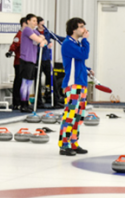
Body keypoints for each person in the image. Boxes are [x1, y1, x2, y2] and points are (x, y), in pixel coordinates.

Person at [58, 17, 92, 157]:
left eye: (84, 26)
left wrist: (87, 69)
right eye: (81, 26)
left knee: (78, 116)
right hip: (73, 85)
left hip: (81, 83)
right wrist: (85, 40)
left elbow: (79, 61)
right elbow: (84, 54)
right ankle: (64, 145)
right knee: (70, 115)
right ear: (74, 29)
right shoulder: (68, 43)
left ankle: (74, 142)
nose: (84, 29)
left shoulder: (76, 43)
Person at [18, 14, 47, 113]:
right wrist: (41, 39)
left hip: (32, 59)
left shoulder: (34, 31)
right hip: (26, 59)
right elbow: (39, 40)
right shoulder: (27, 30)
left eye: (36, 21)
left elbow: (45, 40)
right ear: (28, 21)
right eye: (33, 21)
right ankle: (23, 104)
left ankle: (27, 103)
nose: (35, 23)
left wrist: (42, 39)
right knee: (25, 82)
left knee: (29, 82)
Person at [37, 17, 64, 108]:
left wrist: (69, 39)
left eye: (44, 24)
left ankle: (56, 100)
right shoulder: (35, 34)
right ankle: (39, 102)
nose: (44, 26)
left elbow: (58, 38)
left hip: (47, 59)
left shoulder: (48, 32)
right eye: (41, 24)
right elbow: (36, 46)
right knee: (38, 81)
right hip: (38, 59)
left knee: (53, 80)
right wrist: (46, 45)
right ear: (37, 24)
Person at [6, 17, 27, 110]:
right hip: (19, 62)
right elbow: (14, 45)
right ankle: (16, 102)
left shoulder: (28, 35)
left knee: (24, 82)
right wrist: (10, 51)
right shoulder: (19, 35)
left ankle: (23, 102)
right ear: (24, 24)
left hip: (26, 62)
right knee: (18, 82)